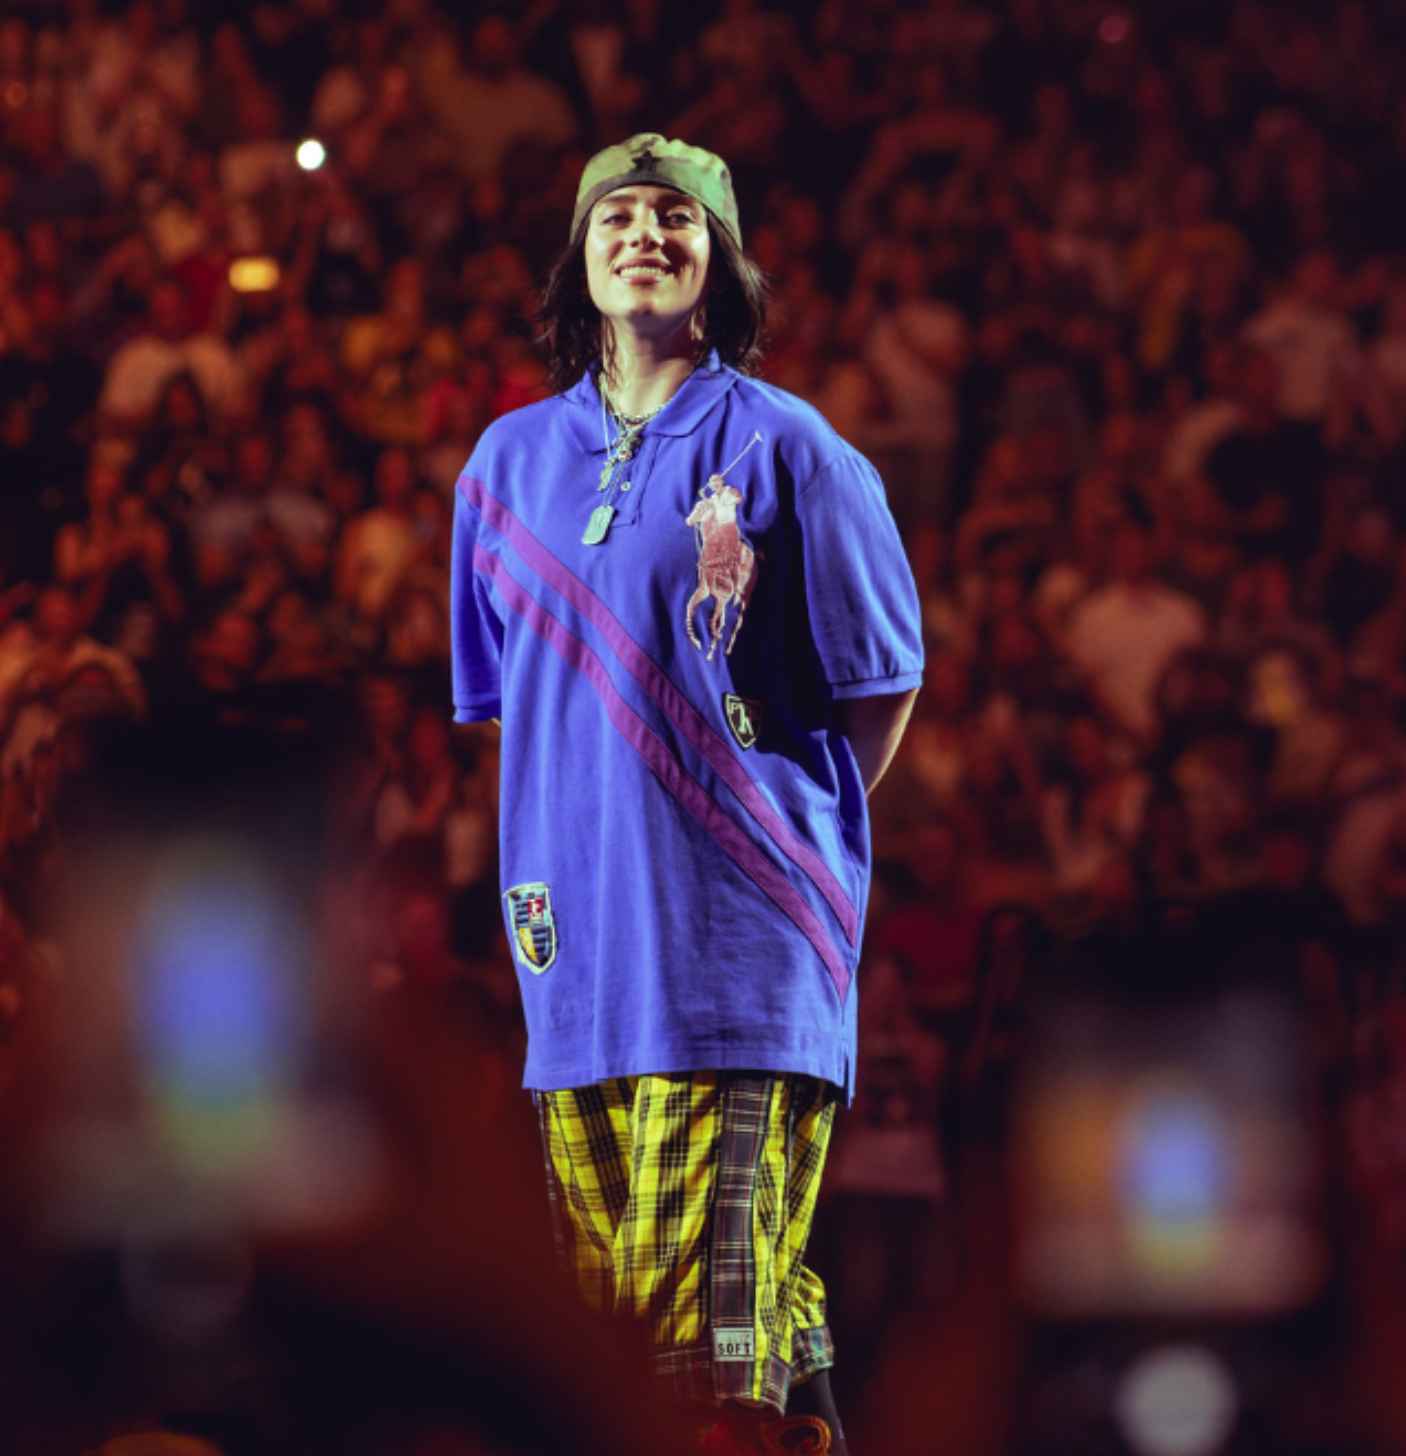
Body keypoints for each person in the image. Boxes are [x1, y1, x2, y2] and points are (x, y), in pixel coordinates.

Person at [450, 133, 922, 1455]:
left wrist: (777, 855)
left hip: (733, 964)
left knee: (688, 1365)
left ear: (718, 268)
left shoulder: (793, 450)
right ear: (581, 258)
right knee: (672, 1326)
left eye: (677, 217)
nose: (644, 233)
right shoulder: (503, 468)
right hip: (576, 975)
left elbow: (881, 683)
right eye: (618, 214)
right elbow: (517, 718)